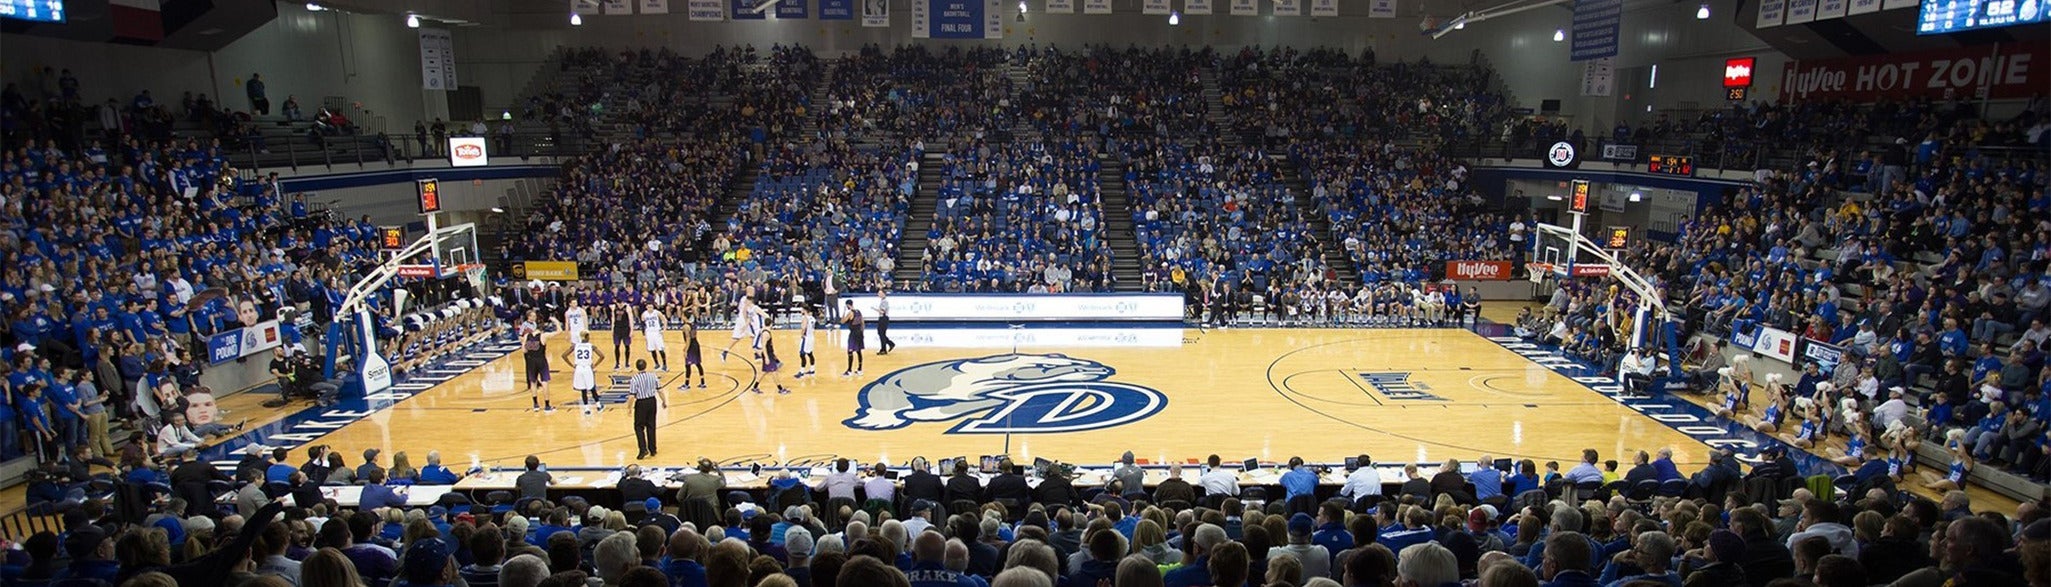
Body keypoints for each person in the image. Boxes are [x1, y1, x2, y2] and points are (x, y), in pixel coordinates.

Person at [629, 360, 666, 459]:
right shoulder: (653, 376)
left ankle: (643, 449)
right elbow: (660, 390)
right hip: (652, 401)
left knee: (638, 427)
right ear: (645, 366)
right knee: (651, 425)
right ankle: (653, 449)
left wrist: (629, 408)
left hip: (641, 403)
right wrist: (664, 401)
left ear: (637, 367)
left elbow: (632, 396)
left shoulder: (634, 379)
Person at [563, 331, 605, 412]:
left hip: (578, 369)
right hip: (587, 368)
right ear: (587, 336)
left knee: (583, 389)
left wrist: (571, 365)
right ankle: (599, 406)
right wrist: (595, 364)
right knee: (592, 388)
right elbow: (602, 356)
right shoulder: (591, 346)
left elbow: (564, 355)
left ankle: (586, 409)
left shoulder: (575, 346)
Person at [521, 312, 552, 412]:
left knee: (533, 382)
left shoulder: (527, 336)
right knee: (544, 382)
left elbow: (524, 350)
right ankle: (547, 405)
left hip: (531, 360)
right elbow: (559, 331)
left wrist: (529, 346)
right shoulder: (543, 336)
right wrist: (556, 322)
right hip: (541, 360)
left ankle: (535, 404)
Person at [642, 304, 669, 371]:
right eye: (648, 307)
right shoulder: (644, 314)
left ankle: (665, 364)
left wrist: (664, 329)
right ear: (646, 307)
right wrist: (644, 334)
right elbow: (643, 324)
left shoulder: (657, 313)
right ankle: (656, 364)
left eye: (651, 307)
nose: (650, 308)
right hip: (649, 333)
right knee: (652, 349)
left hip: (657, 332)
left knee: (661, 349)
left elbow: (665, 320)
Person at [843, 300, 866, 377]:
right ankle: (860, 369)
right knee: (858, 351)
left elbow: (842, 321)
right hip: (859, 332)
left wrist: (843, 312)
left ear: (848, 305)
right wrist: (862, 332)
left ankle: (849, 370)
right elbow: (862, 322)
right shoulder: (858, 311)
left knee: (850, 351)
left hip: (853, 333)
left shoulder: (850, 313)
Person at [795, 306, 818, 379]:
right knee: (810, 353)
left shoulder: (805, 318)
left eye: (802, 309)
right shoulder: (812, 318)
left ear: (805, 310)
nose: (801, 311)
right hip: (811, 337)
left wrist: (801, 334)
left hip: (806, 338)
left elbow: (803, 327)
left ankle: (801, 372)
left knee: (802, 354)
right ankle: (812, 369)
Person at [611, 304, 634, 370]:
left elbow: (631, 319)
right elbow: (613, 318)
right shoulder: (614, 307)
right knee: (616, 346)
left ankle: (627, 363)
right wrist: (612, 329)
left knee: (627, 346)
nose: (619, 304)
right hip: (617, 329)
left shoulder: (627, 307)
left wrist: (632, 330)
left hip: (625, 329)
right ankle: (617, 363)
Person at [876, 290, 897, 355]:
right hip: (883, 318)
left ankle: (884, 349)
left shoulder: (884, 301)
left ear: (884, 294)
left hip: (883, 318)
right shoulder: (883, 301)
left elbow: (883, 311)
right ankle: (889, 344)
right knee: (881, 333)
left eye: (880, 293)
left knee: (881, 333)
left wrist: (875, 309)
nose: (878, 294)